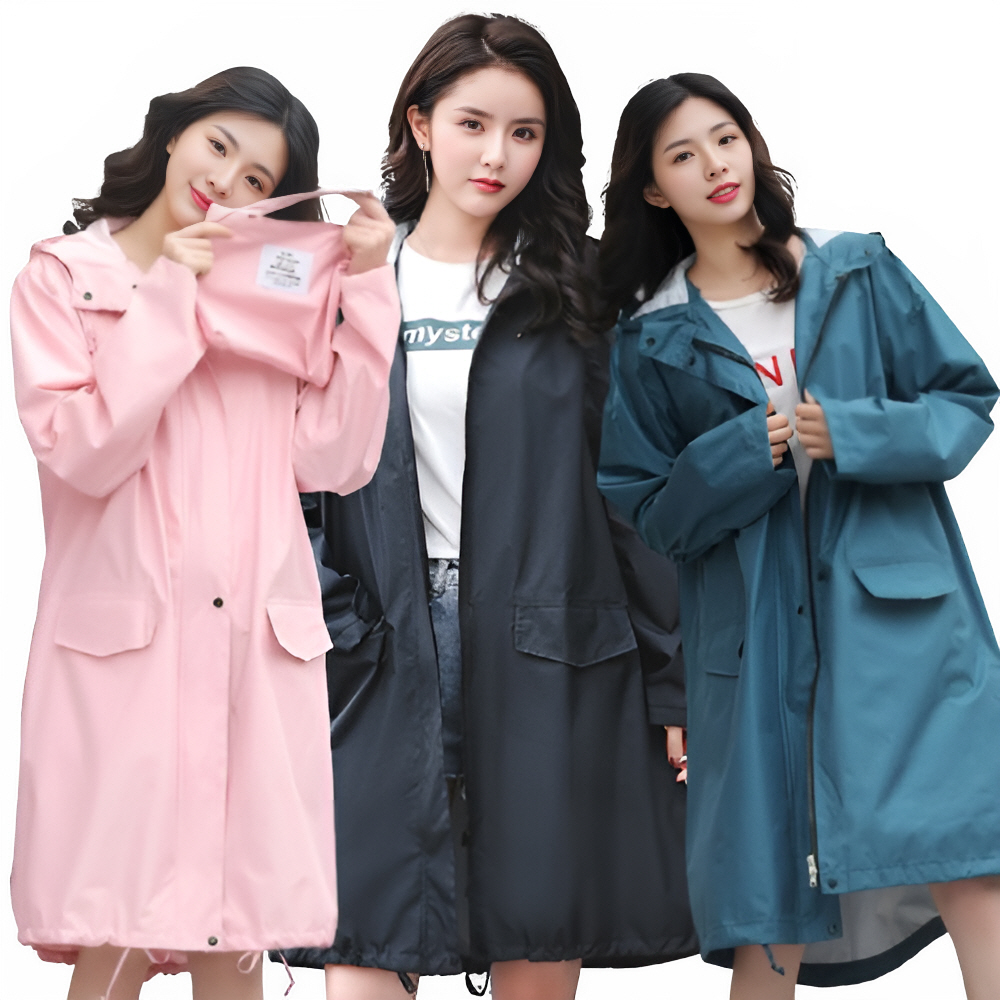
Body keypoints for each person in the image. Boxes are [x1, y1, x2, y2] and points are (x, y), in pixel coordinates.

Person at [279, 15, 696, 1000]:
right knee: (363, 936)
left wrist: (676, 685)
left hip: (553, 647)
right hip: (375, 646)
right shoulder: (342, 279)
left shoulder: (585, 287)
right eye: (472, 124)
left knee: (538, 927)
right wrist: (330, 619)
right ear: (420, 124)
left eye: (525, 132)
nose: (497, 154)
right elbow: (278, 476)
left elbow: (635, 495)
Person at [596, 72, 1000, 999]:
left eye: (725, 138)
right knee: (768, 905)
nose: (715, 165)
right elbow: (650, 511)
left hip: (900, 624)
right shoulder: (650, 337)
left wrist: (855, 432)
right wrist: (744, 452)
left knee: (969, 860)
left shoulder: (854, 270)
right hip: (754, 641)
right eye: (683, 155)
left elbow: (965, 400)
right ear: (654, 188)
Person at [9, 66, 399, 1000]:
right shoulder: (64, 278)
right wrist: (169, 296)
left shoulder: (270, 298)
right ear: (174, 133)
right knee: (116, 927)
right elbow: (84, 450)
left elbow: (334, 459)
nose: (226, 182)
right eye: (218, 145)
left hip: (251, 649)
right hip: (123, 659)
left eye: (258, 178)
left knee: (237, 930)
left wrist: (369, 293)